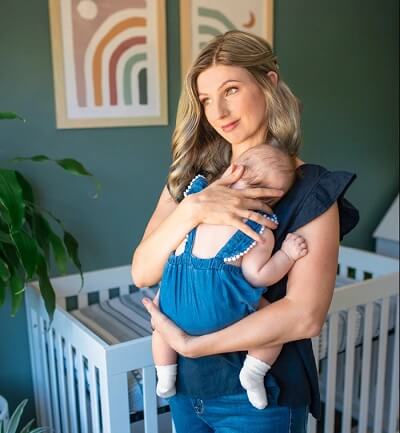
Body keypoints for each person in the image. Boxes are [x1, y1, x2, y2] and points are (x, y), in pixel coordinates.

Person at [132, 30, 359, 433]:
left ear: (268, 83)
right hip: (187, 390)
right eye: (205, 100)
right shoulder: (191, 180)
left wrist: (191, 346)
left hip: (260, 400)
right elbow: (143, 272)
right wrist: (193, 209)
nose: (218, 111)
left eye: (231, 89)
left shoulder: (311, 189)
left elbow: (305, 317)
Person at [153, 144, 308, 411]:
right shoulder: (256, 228)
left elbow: (167, 252)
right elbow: (258, 276)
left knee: (160, 326)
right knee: (272, 321)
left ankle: (165, 375)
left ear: (234, 172)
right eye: (270, 199)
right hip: (217, 309)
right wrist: (287, 255)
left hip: (173, 301)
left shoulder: (195, 201)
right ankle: (253, 372)